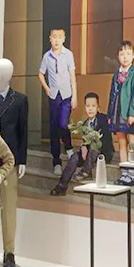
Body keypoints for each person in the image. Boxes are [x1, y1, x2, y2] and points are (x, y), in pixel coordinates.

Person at [50, 93, 114, 196]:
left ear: (98, 107)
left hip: (102, 152)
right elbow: (85, 141)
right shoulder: (85, 122)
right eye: (88, 106)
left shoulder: (102, 119)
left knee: (94, 147)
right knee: (74, 157)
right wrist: (83, 147)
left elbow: (102, 141)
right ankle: (62, 185)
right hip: (89, 154)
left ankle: (86, 172)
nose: (90, 109)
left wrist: (88, 145)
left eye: (93, 106)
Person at [38, 29, 78, 176]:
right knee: (54, 128)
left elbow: (72, 76)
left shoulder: (68, 54)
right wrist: (46, 88)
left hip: (66, 95)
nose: (56, 40)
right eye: (54, 37)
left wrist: (75, 96)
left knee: (63, 123)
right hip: (54, 96)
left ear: (64, 39)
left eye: (59, 37)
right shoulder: (47, 56)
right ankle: (56, 162)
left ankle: (69, 147)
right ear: (50, 38)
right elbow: (40, 73)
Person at [108, 41, 134, 186]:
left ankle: (133, 173)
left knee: (133, 142)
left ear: (133, 55)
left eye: (128, 54)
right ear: (118, 56)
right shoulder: (116, 74)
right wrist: (110, 115)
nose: (125, 57)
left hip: (130, 112)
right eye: (122, 54)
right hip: (117, 112)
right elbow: (111, 95)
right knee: (121, 142)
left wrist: (132, 113)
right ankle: (124, 173)